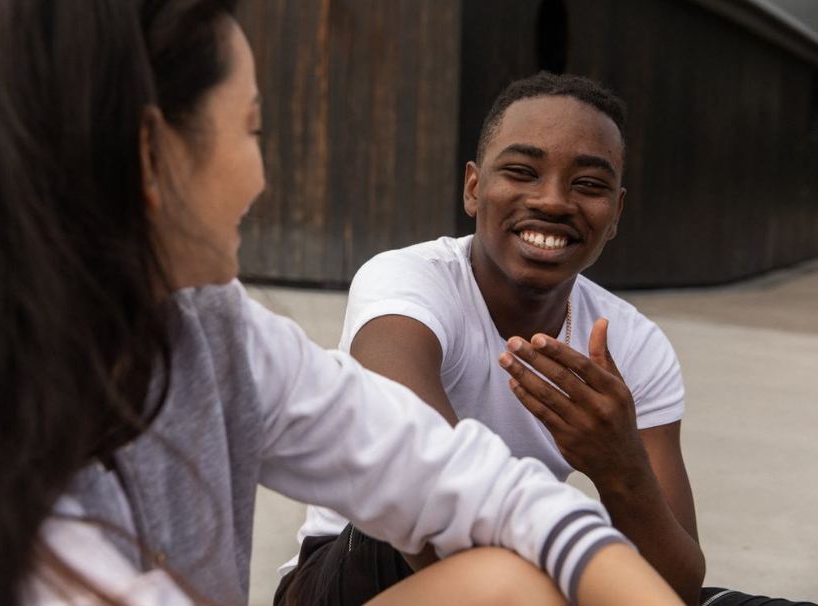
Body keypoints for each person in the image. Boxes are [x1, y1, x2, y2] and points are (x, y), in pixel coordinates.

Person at [0, 2, 683, 606]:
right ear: (150, 154)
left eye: (587, 184)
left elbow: (444, 471)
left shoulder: (215, 330)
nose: (263, 179)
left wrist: (615, 488)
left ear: (618, 205)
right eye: (252, 129)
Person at [276, 72, 709, 606]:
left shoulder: (634, 345)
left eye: (589, 184)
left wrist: (622, 469)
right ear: (474, 188)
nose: (552, 201)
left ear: (616, 213)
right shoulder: (408, 283)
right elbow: (423, 482)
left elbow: (681, 588)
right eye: (523, 171)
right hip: (354, 574)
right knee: (415, 508)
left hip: (523, 565)